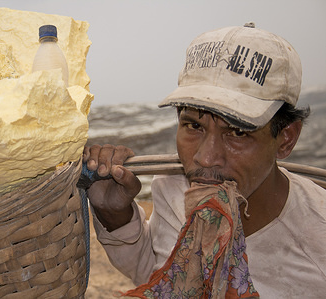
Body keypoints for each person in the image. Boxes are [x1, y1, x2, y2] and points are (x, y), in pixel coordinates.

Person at [83, 23, 326, 298]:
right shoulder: (172, 187)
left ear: (286, 138)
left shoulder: (318, 242)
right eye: (193, 126)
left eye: (237, 132)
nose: (205, 158)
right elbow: (156, 269)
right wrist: (115, 214)